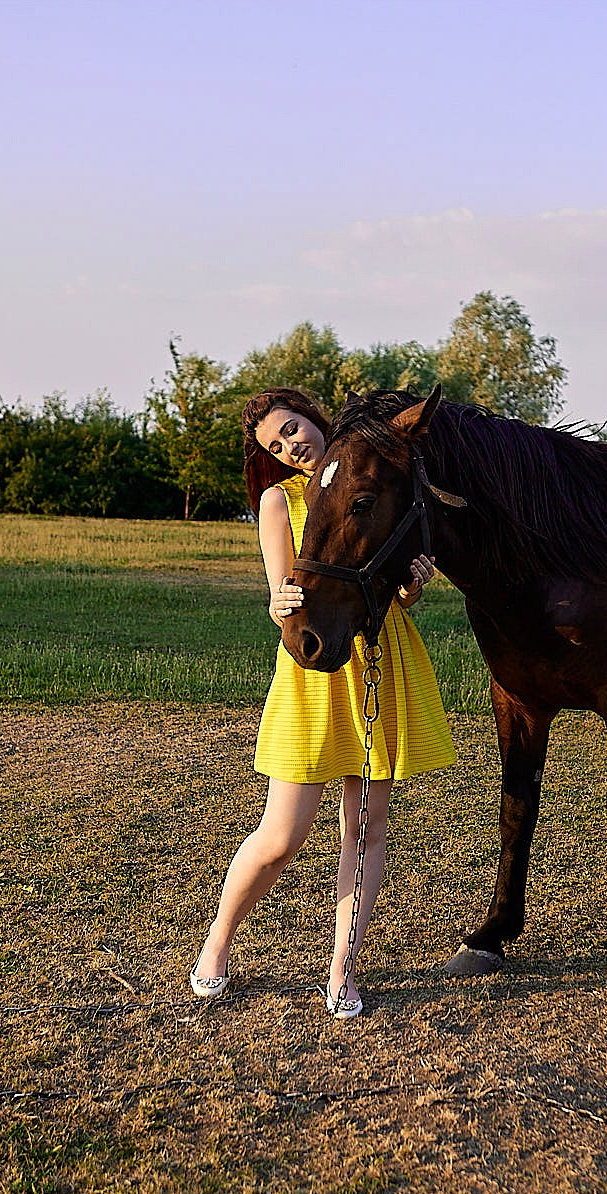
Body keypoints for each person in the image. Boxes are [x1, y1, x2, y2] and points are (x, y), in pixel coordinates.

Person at [190, 387, 456, 1018]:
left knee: (363, 829)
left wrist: (414, 585)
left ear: (312, 416)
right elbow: (283, 591)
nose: (290, 445)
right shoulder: (280, 501)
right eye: (276, 444)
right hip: (313, 670)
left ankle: (343, 967)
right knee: (282, 835)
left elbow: (395, 587)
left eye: (292, 428)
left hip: (378, 658)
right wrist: (279, 603)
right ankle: (217, 946)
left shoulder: (372, 474)